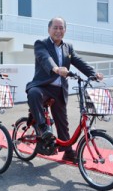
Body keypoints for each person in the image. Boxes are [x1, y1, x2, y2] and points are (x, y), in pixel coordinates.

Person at [26, 17, 103, 162]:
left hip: (59, 89)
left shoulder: (68, 47)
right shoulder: (41, 44)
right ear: (49, 29)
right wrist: (55, 69)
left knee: (63, 123)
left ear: (65, 30)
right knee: (34, 93)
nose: (58, 31)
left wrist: (94, 74)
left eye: (61, 28)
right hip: (43, 86)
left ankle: (68, 152)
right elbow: (44, 58)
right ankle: (43, 128)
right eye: (55, 27)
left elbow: (79, 61)